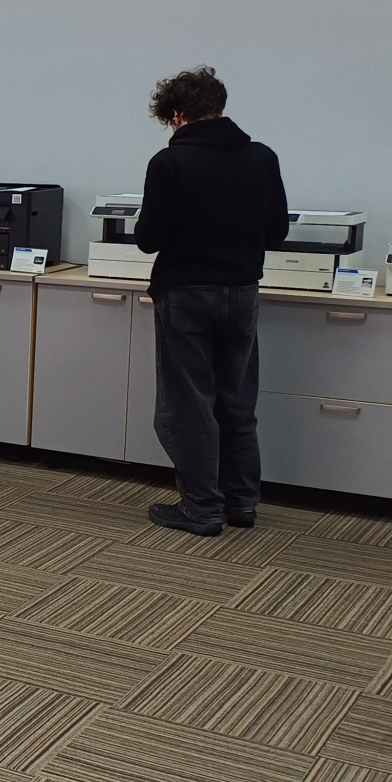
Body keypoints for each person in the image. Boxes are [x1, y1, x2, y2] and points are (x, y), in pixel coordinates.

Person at [133, 66, 289, 537]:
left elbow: (148, 239)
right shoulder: (262, 157)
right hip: (241, 292)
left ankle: (200, 507)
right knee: (237, 400)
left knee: (189, 404)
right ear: (220, 107)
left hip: (185, 294)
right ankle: (241, 503)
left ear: (177, 115)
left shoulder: (169, 163)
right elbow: (277, 233)